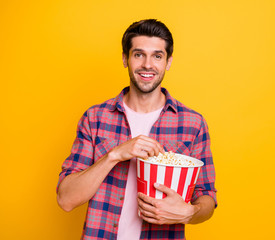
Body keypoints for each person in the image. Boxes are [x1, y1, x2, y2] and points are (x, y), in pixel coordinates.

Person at [57, 19, 217, 240]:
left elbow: (207, 196)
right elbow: (66, 199)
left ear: (168, 62)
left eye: (157, 56)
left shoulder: (192, 124)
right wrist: (114, 155)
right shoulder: (95, 118)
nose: (147, 65)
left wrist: (190, 213)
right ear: (125, 58)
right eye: (139, 54)